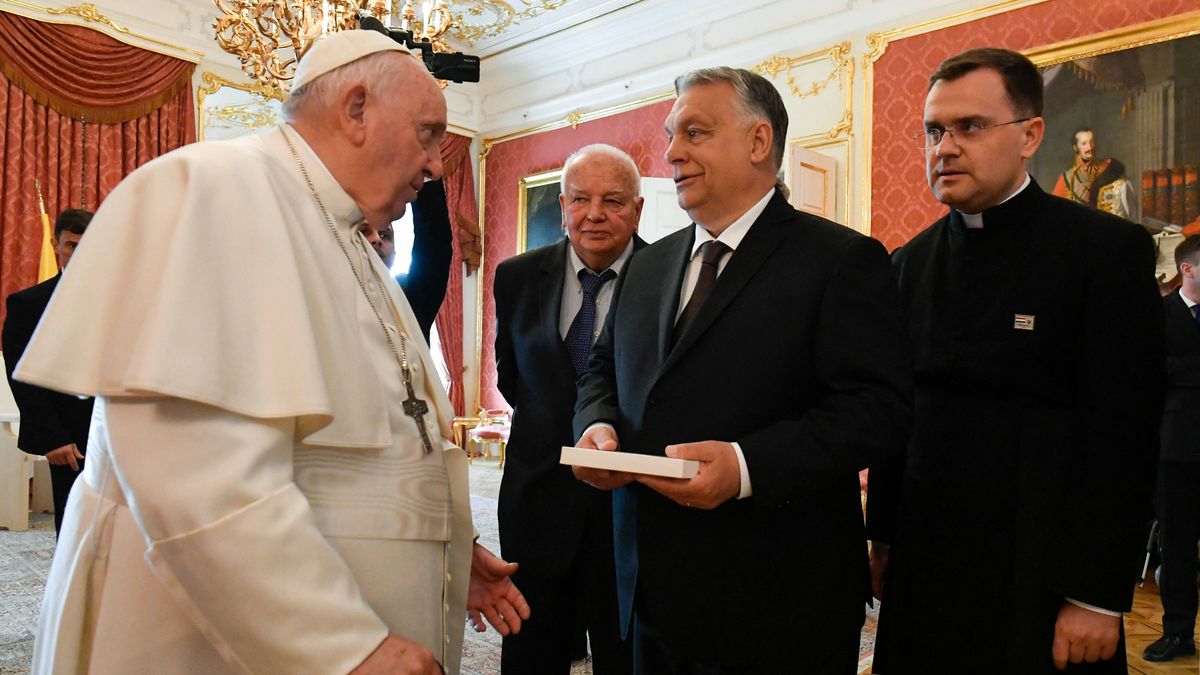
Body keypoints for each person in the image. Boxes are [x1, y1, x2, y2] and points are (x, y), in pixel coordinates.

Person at [16, 30, 527, 675]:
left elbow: (385, 441)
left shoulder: (344, 234)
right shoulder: (218, 190)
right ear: (357, 109)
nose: (435, 166)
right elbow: (196, 474)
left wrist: (445, 545)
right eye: (428, 135)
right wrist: (343, 645)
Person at [571, 67, 913, 673]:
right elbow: (601, 369)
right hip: (648, 588)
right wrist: (598, 427)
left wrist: (746, 467)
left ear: (759, 143)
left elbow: (876, 413)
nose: (672, 151)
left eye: (694, 133)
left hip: (777, 600)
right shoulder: (648, 266)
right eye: (672, 134)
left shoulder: (840, 260)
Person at [869, 48, 1164, 674]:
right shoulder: (907, 265)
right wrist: (883, 536)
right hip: (925, 566)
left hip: (1041, 577)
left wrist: (1096, 593)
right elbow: (900, 416)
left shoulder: (1104, 253)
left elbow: (1124, 434)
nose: (944, 147)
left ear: (1030, 135)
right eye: (933, 130)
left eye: (969, 127)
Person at [494, 143, 646, 674]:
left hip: (629, 513)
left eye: (613, 200)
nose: (595, 214)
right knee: (531, 654)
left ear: (638, 210)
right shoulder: (516, 277)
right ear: (562, 206)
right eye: (580, 199)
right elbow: (511, 379)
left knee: (625, 657)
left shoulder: (668, 276)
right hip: (535, 505)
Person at [1, 208, 93, 535]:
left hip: (119, 434)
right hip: (69, 439)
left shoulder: (121, 299)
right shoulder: (28, 305)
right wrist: (53, 437)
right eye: (71, 245)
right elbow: (22, 376)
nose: (78, 254)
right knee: (74, 528)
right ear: (56, 245)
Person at [1144, 235, 1200, 662]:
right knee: (1177, 547)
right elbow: (1148, 375)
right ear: (1188, 269)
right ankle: (1178, 634)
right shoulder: (1159, 316)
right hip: (1176, 448)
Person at [359, 177, 453, 343]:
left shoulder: (409, 295)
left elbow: (434, 241)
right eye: (365, 232)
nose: (377, 240)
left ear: (395, 253)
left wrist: (420, 172)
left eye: (385, 235)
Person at [1051, 127, 1134, 219]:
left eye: (1092, 142)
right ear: (1075, 147)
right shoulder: (1066, 178)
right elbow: (1054, 212)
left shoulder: (1109, 168)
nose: (1089, 147)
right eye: (1084, 144)